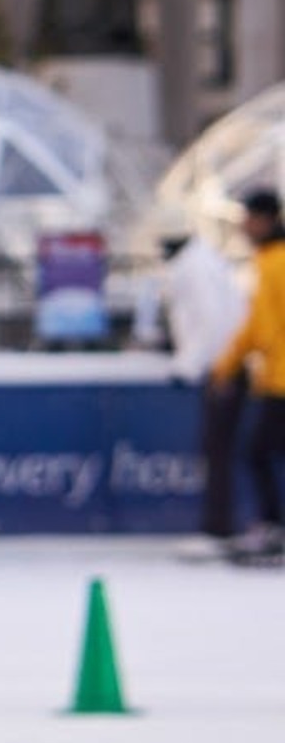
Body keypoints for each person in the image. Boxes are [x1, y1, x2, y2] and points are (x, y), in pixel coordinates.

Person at [146, 221, 248, 555]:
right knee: (218, 449)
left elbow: (211, 320)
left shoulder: (196, 268)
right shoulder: (198, 263)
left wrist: (188, 364)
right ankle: (219, 526)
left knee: (218, 450)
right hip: (223, 367)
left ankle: (219, 529)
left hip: (223, 369)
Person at [210, 190, 285, 564]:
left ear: (266, 219)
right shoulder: (269, 260)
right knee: (263, 452)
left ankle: (273, 527)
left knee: (257, 452)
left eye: (248, 218)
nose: (243, 226)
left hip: (281, 381)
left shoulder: (274, 263)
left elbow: (261, 327)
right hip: (275, 378)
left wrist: (228, 364)